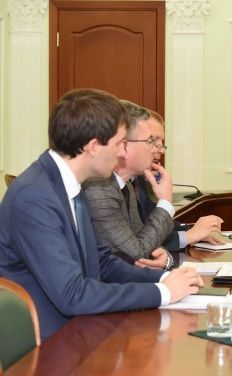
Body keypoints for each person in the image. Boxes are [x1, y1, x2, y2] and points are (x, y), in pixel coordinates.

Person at [0, 89, 203, 340]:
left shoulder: (69, 185)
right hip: (51, 343)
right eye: (119, 144)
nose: (122, 153)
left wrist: (165, 277)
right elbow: (73, 295)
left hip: (83, 328)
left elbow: (102, 262)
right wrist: (163, 292)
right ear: (94, 147)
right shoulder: (34, 197)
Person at [84, 101, 222, 265]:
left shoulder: (127, 185)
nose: (158, 149)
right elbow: (137, 254)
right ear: (124, 146)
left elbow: (142, 241)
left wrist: (167, 260)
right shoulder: (98, 189)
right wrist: (165, 203)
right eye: (151, 141)